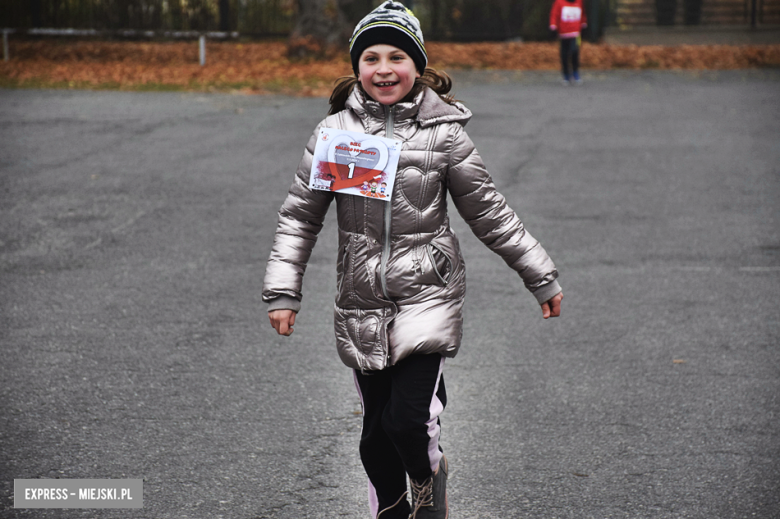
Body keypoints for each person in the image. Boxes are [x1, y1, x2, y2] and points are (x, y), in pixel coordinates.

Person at [263, 2, 563, 517]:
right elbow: (299, 218)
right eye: (371, 57)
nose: (383, 69)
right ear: (356, 67)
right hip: (361, 300)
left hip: (429, 292)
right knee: (375, 433)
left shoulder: (445, 136)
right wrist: (283, 290)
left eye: (397, 56)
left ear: (418, 66)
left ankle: (428, 477)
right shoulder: (334, 135)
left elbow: (491, 213)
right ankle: (392, 507)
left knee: (406, 419)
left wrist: (540, 276)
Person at [549, 0, 588, 85]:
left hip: (575, 34)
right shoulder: (559, 2)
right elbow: (554, 14)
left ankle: (575, 72)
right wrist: (553, 26)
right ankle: (566, 74)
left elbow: (582, 14)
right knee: (564, 55)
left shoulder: (579, 2)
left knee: (574, 52)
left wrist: (583, 24)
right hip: (563, 34)